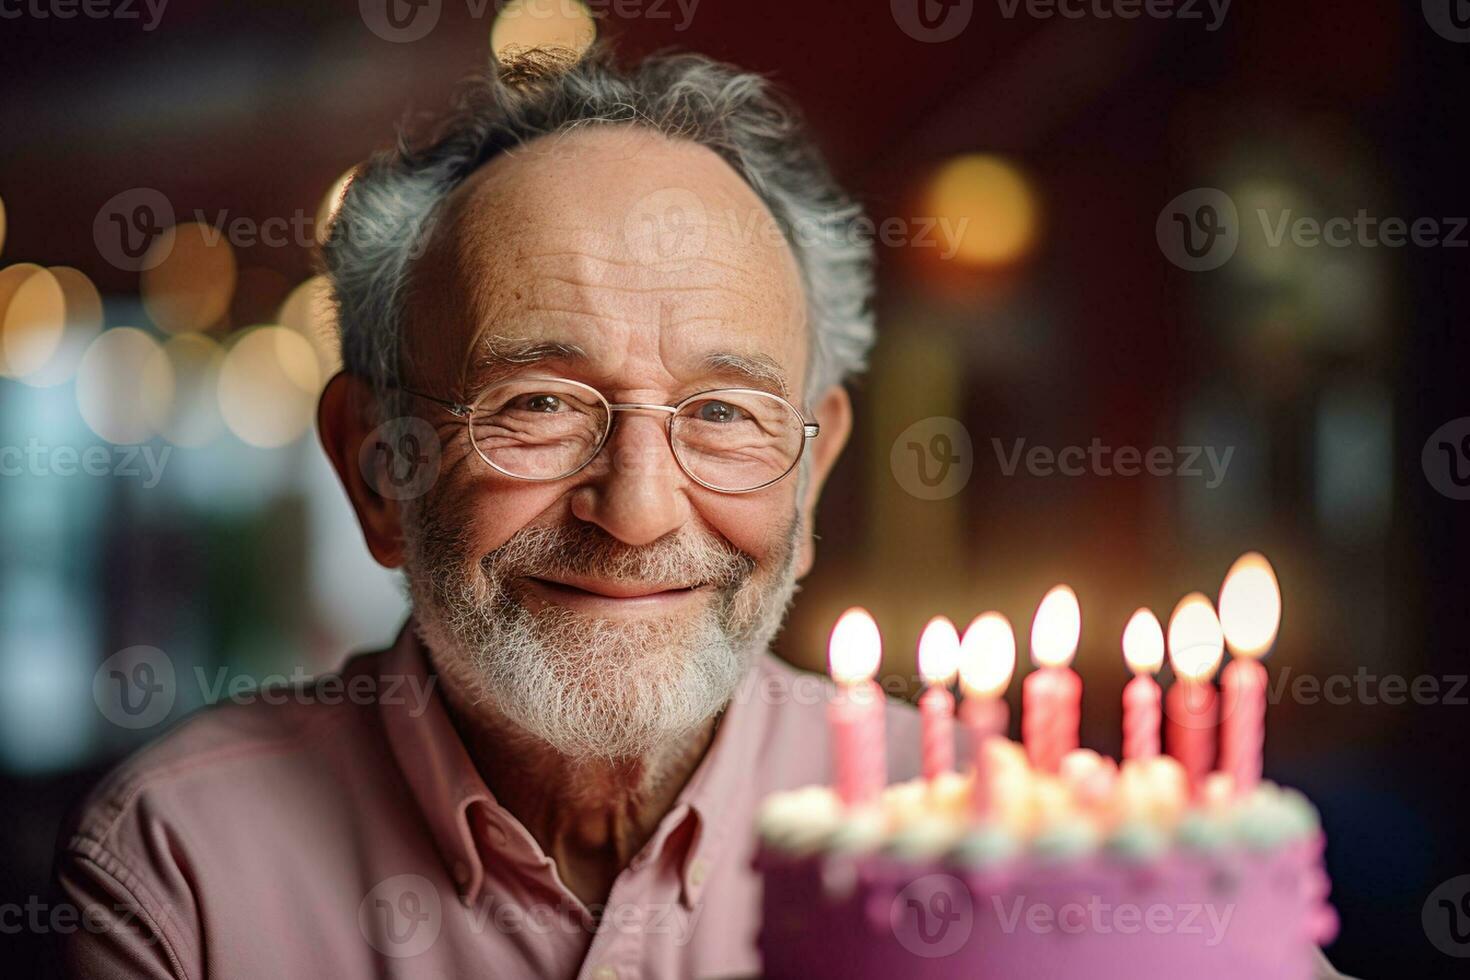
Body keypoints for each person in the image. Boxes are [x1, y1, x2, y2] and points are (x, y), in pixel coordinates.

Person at [54, 46, 920, 979]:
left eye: (721, 414)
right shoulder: (183, 870)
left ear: (811, 471)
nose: (635, 510)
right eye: (537, 403)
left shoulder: (976, 825)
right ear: (375, 464)